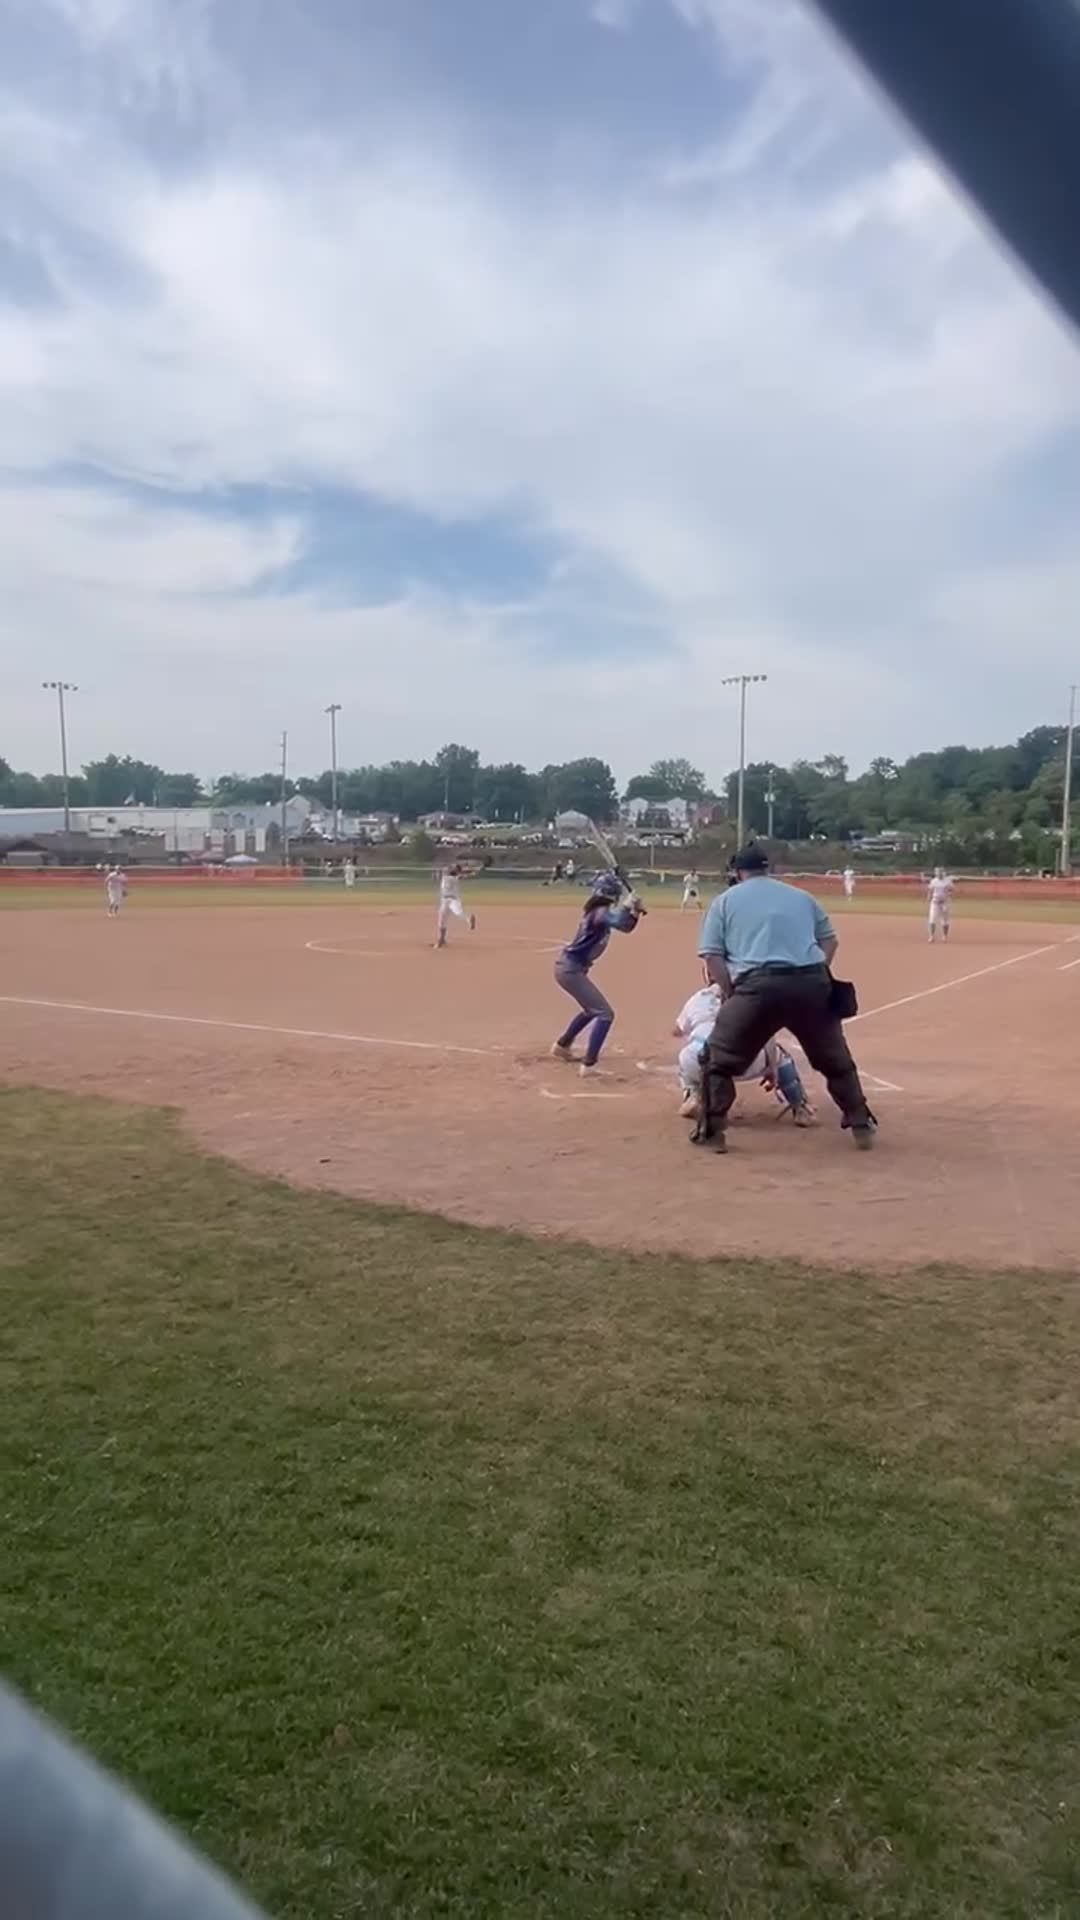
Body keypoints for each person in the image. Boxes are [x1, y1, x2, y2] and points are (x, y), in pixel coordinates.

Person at [695, 844, 875, 1152]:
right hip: (810, 984)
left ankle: (713, 1133)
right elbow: (830, 940)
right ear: (770, 869)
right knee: (835, 1060)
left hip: (757, 986)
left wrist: (730, 992)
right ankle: (860, 1122)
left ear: (738, 872)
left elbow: (712, 956)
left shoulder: (725, 901)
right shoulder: (801, 896)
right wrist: (816, 973)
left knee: (717, 1061)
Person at [674, 979, 813, 1124]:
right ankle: (800, 1107)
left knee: (687, 1055)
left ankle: (693, 1096)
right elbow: (768, 1037)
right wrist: (771, 1068)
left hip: (703, 1061)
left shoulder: (698, 998)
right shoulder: (754, 996)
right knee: (781, 1057)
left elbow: (678, 1031)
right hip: (745, 1062)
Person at [551, 873, 645, 1077]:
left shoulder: (599, 911)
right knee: (605, 1014)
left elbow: (626, 926)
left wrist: (635, 911)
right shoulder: (599, 912)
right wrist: (628, 906)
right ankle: (589, 1065)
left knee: (591, 1009)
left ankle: (562, 1045)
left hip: (571, 969)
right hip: (570, 970)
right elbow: (619, 920)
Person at [435, 862, 478, 948]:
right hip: (444, 901)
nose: (451, 868)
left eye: (453, 868)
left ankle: (470, 918)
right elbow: (462, 873)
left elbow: (461, 873)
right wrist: (472, 871)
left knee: (459, 913)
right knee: (442, 921)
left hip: (453, 900)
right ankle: (441, 939)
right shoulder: (451, 876)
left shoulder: (452, 877)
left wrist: (470, 872)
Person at [927, 866, 954, 942]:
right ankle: (932, 936)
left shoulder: (948, 881)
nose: (938, 873)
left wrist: (949, 894)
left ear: (943, 872)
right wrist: (929, 897)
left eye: (940, 872)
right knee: (932, 918)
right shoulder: (933, 881)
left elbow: (952, 889)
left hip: (945, 902)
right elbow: (930, 890)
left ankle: (945, 936)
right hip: (935, 902)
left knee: (945, 920)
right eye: (937, 872)